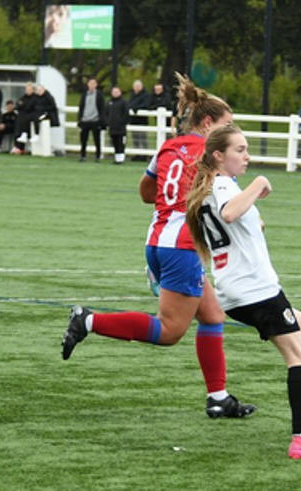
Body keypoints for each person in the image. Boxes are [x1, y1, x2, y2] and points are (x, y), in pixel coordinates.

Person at [61, 73, 256, 420]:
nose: (231, 133)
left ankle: (218, 398)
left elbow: (145, 192)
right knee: (168, 331)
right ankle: (88, 321)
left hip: (157, 241)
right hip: (182, 248)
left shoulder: (168, 147)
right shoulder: (214, 155)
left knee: (212, 315)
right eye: (227, 125)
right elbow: (230, 207)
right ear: (207, 123)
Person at [186, 124, 301, 459]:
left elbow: (230, 219)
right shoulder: (223, 186)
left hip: (236, 291)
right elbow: (229, 213)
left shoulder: (213, 188)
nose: (247, 156)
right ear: (218, 156)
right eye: (240, 150)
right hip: (255, 291)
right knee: (297, 357)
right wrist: (260, 182)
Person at [77, 78, 105, 162]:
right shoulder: (84, 94)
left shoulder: (99, 95)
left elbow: (102, 108)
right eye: (90, 83)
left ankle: (97, 156)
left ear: (96, 85)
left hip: (95, 120)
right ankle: (83, 156)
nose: (92, 85)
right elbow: (81, 107)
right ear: (88, 84)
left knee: (97, 140)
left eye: (94, 83)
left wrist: (101, 120)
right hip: (85, 120)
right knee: (83, 140)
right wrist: (79, 119)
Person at [106, 85, 129, 164]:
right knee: (114, 143)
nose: (115, 93)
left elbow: (126, 114)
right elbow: (106, 113)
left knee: (121, 143)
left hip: (121, 128)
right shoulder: (109, 102)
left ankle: (121, 159)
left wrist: (122, 122)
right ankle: (117, 158)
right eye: (114, 92)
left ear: (120, 92)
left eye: (117, 92)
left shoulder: (124, 102)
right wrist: (108, 122)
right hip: (112, 128)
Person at [128, 80, 151, 152]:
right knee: (135, 138)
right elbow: (129, 104)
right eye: (135, 86)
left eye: (138, 86)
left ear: (142, 87)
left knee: (143, 138)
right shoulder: (132, 95)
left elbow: (145, 105)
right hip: (133, 120)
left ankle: (145, 153)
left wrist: (136, 108)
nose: (137, 88)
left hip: (142, 120)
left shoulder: (146, 95)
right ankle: (137, 153)